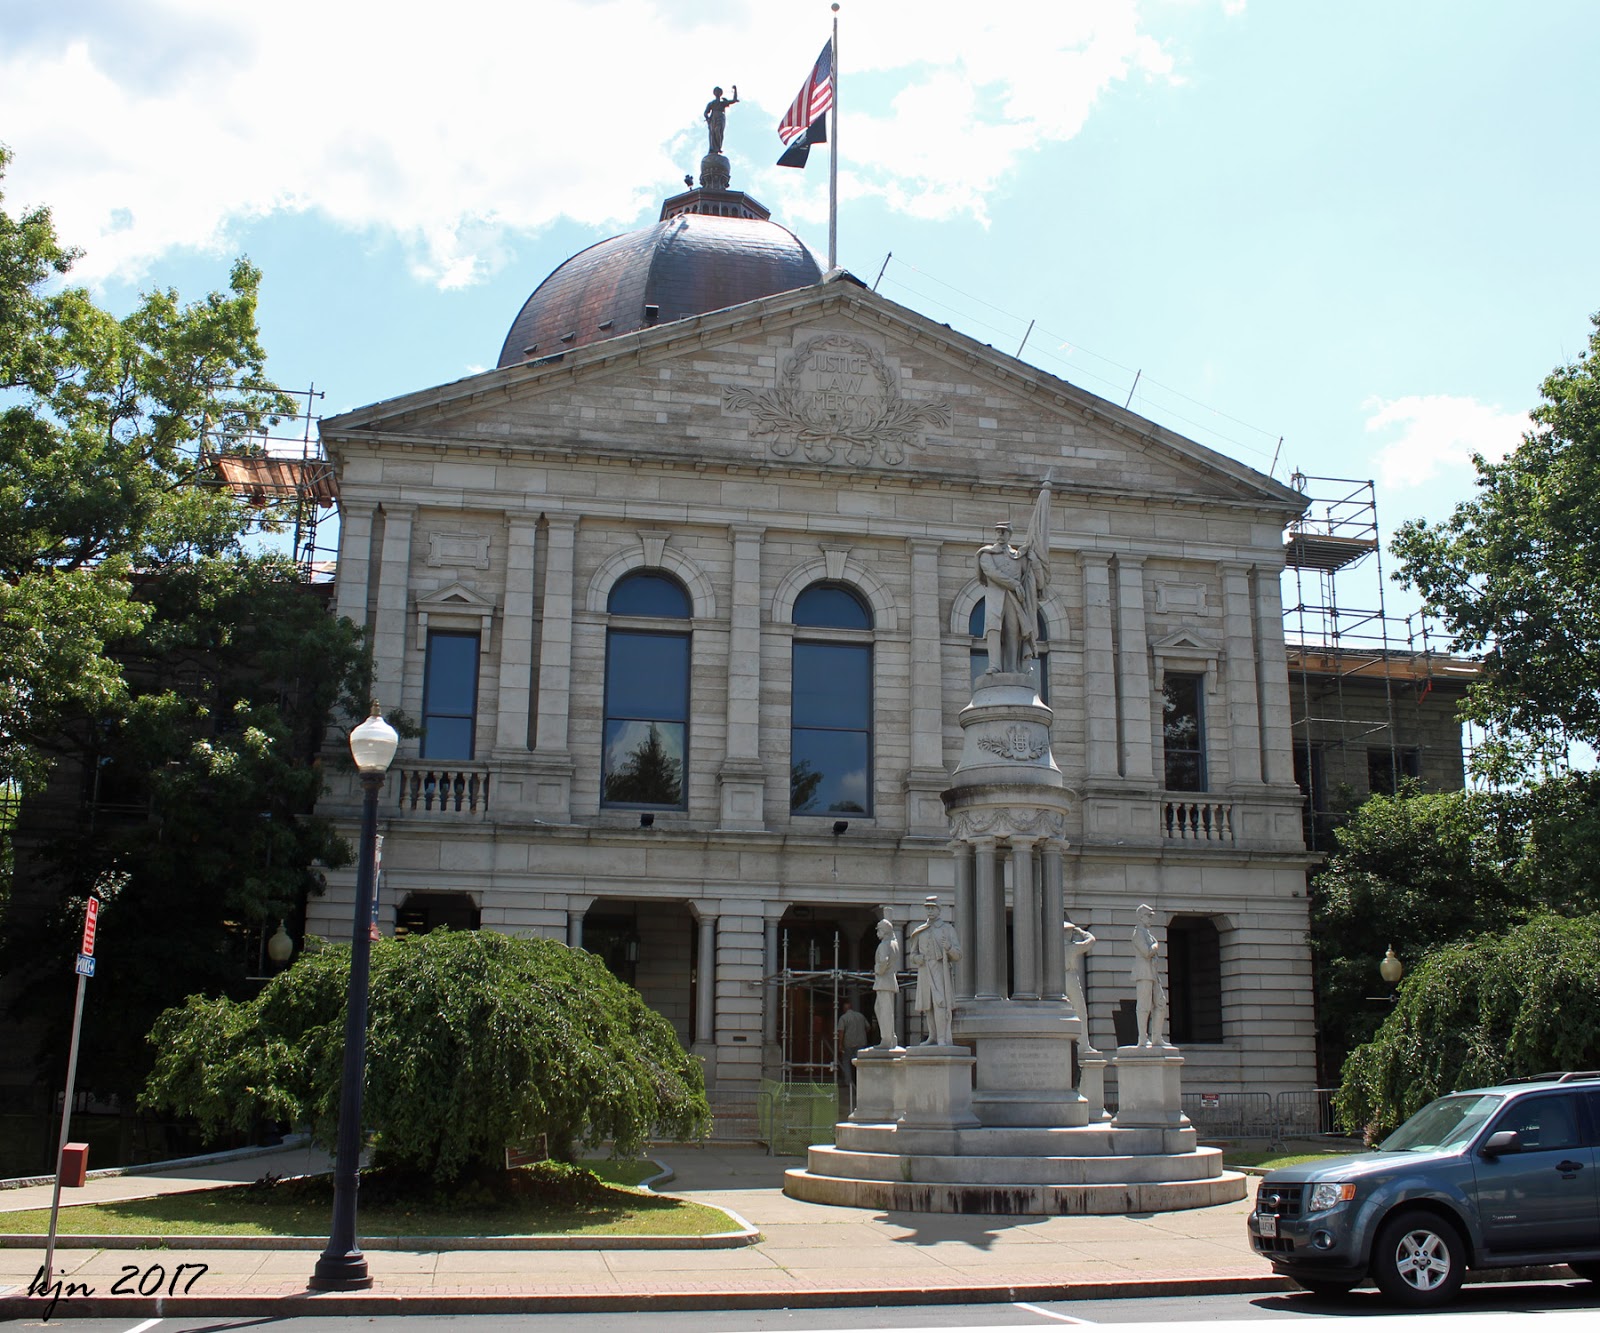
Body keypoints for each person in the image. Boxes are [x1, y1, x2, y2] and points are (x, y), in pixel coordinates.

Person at [906, 895, 961, 1047]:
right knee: (928, 1004)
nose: (929, 911)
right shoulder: (919, 931)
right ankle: (933, 1036)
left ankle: (942, 1038)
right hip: (924, 970)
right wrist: (918, 959)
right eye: (927, 908)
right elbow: (913, 955)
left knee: (940, 1003)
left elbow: (958, 954)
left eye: (932, 908)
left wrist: (949, 948)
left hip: (940, 969)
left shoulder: (947, 929)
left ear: (939, 910)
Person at [1131, 903, 1168, 1048]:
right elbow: (1146, 952)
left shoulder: (1147, 933)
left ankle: (1156, 1037)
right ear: (1140, 917)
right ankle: (1142, 1038)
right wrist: (1156, 945)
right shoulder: (1138, 933)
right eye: (1148, 916)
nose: (1150, 919)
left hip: (1152, 973)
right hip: (1144, 973)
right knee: (1144, 1006)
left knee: (1160, 1002)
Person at [871, 917, 901, 1048]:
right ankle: (890, 1037)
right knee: (884, 1009)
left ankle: (886, 1039)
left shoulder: (884, 945)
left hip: (884, 981)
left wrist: (878, 969)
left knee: (883, 1010)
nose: (877, 934)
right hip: (890, 981)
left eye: (879, 931)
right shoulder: (895, 943)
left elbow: (883, 961)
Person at [834, 998, 870, 1088]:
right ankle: (861, 1081)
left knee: (846, 1062)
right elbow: (868, 1027)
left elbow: (841, 1032)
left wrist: (840, 1044)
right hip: (861, 1043)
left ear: (844, 1009)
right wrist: (862, 1033)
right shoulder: (860, 1016)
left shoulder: (843, 1018)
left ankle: (848, 1082)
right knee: (860, 1063)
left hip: (848, 1043)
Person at [703, 85, 739, 155]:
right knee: (713, 133)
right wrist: (707, 118)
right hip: (713, 118)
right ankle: (714, 149)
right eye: (716, 91)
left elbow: (734, 100)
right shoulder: (711, 103)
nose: (717, 93)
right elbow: (705, 112)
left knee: (718, 131)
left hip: (720, 117)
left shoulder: (723, 103)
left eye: (719, 92)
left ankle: (718, 147)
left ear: (720, 93)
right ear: (714, 93)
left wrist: (735, 90)